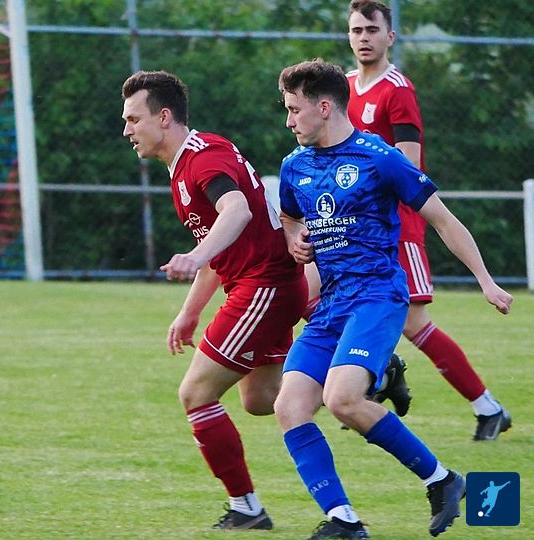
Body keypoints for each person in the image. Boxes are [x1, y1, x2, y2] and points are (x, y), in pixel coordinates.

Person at [275, 59, 513, 538]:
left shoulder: (378, 157)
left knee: (341, 399)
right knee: (290, 406)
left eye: (294, 110)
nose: (289, 121)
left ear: (325, 107)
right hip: (332, 304)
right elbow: (290, 218)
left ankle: (440, 479)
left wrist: (485, 280)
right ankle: (344, 520)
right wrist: (296, 241)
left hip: (377, 296)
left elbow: (443, 219)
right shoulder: (294, 165)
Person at [302, 0, 510, 440]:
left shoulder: (397, 90)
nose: (363, 38)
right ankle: (369, 377)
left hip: (395, 227)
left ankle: (486, 407)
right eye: (356, 30)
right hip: (348, 229)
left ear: (390, 36)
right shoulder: (342, 87)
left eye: (371, 30)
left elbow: (409, 167)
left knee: (414, 322)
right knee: (310, 297)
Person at [121, 70, 307, 531]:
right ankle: (357, 383)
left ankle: (246, 507)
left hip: (263, 286)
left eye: (133, 119)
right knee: (262, 400)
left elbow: (236, 211)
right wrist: (189, 312)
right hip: (264, 284)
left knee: (196, 394)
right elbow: (219, 242)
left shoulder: (202, 159)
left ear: (164, 117)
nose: (127, 130)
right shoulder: (187, 161)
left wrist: (195, 255)